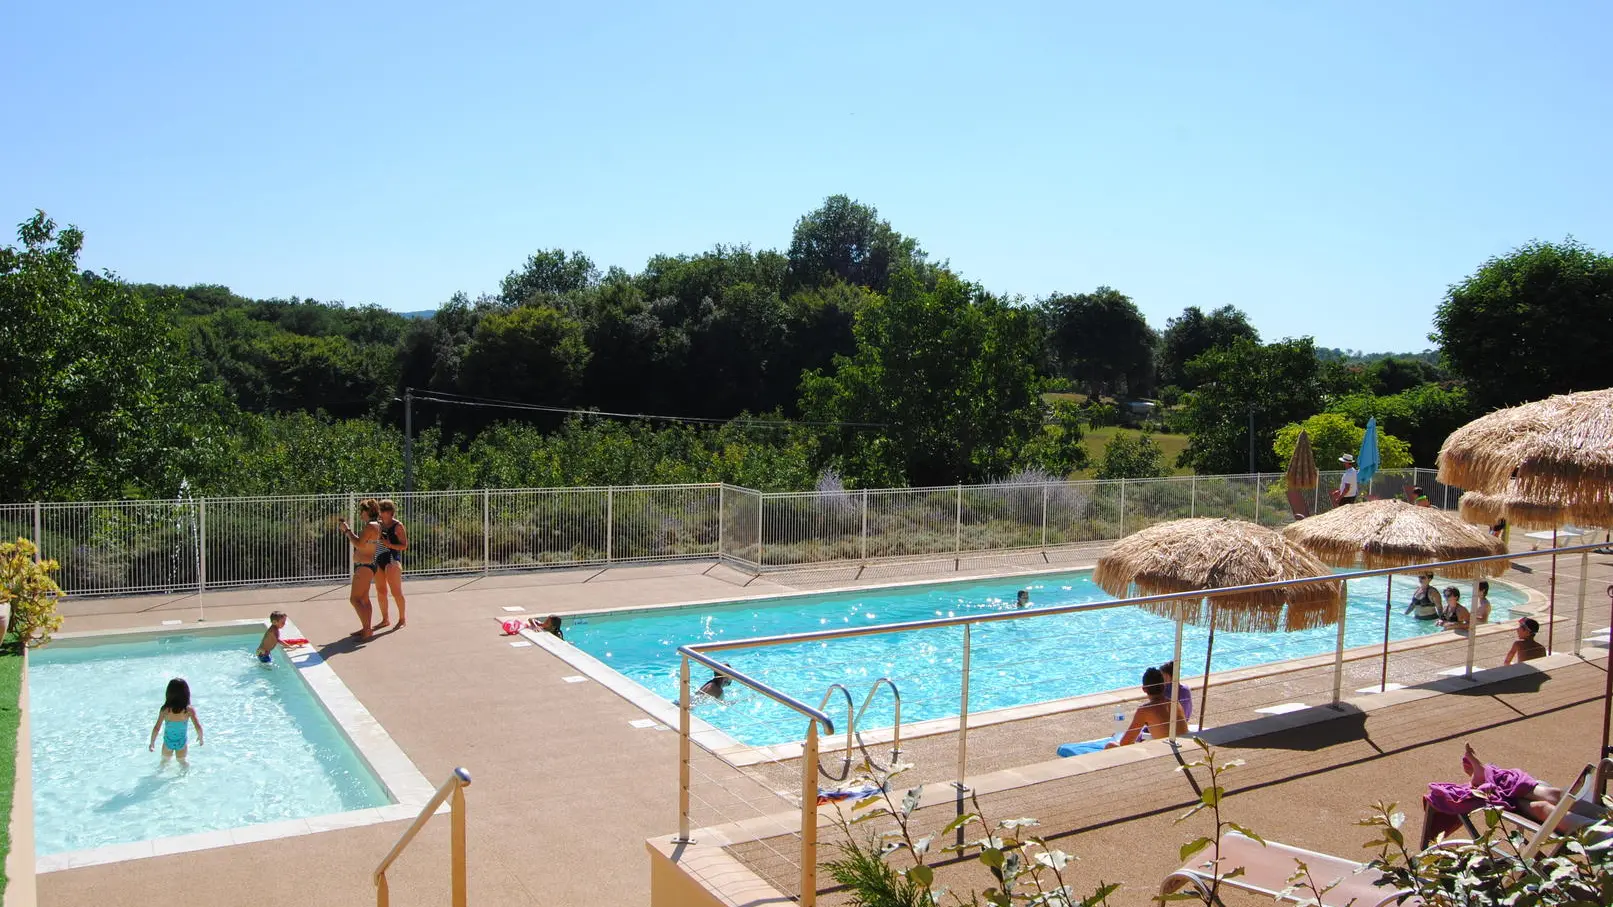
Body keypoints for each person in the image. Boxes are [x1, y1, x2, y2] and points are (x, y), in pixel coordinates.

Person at [1420, 743, 1591, 848]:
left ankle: (1489, 779)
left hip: (1598, 833)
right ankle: (1490, 779)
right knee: (1551, 795)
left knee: (1542, 805)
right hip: (1603, 819)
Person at [1105, 667, 1189, 748]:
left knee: (1110, 745)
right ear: (1164, 686)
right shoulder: (1175, 703)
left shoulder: (1145, 710)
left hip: (1167, 753)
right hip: (1185, 747)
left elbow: (1125, 743)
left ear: (1144, 689)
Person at [336, 499, 381, 640]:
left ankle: (367, 629)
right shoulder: (376, 525)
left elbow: (359, 544)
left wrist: (347, 531)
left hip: (364, 566)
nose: (360, 514)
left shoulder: (370, 527)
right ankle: (366, 628)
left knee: (355, 599)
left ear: (367, 512)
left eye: (361, 511)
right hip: (369, 565)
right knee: (364, 599)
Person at [372, 499, 410, 630]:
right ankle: (385, 619)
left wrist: (389, 544)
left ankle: (402, 619)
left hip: (392, 560)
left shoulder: (398, 526)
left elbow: (404, 545)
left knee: (396, 592)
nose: (379, 513)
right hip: (378, 559)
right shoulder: (378, 525)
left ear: (389, 512)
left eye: (381, 511)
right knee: (381, 591)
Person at [149, 678, 203, 766]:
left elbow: (156, 728)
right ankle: (184, 778)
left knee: (164, 762)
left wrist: (152, 743)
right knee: (182, 762)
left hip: (168, 742)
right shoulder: (188, 710)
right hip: (181, 742)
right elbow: (198, 726)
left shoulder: (165, 710)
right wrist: (201, 738)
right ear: (186, 694)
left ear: (169, 694)